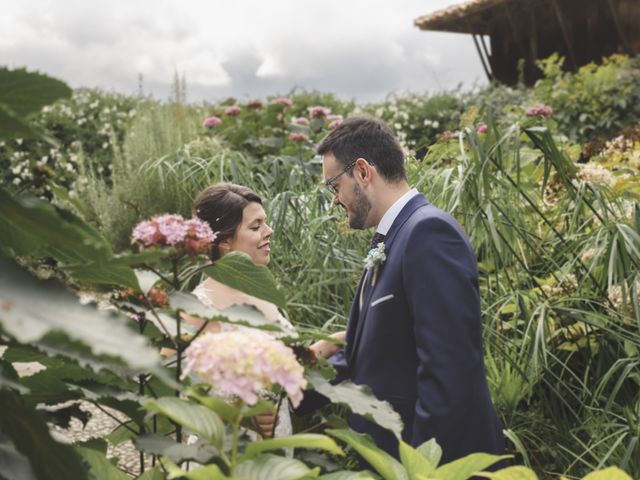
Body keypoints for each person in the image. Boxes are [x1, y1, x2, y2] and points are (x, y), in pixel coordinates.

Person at [299, 117, 504, 462]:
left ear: (363, 172)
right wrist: (288, 395)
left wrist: (421, 467)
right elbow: (372, 353)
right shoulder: (395, 237)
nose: (335, 200)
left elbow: (449, 372)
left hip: (428, 459)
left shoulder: (428, 234)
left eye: (335, 185)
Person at [190, 182, 293, 439]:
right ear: (224, 241)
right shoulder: (199, 306)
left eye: (265, 223)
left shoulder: (261, 292)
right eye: (256, 226)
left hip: (278, 448)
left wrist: (330, 345)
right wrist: (242, 413)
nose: (269, 231)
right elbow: (179, 392)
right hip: (226, 453)